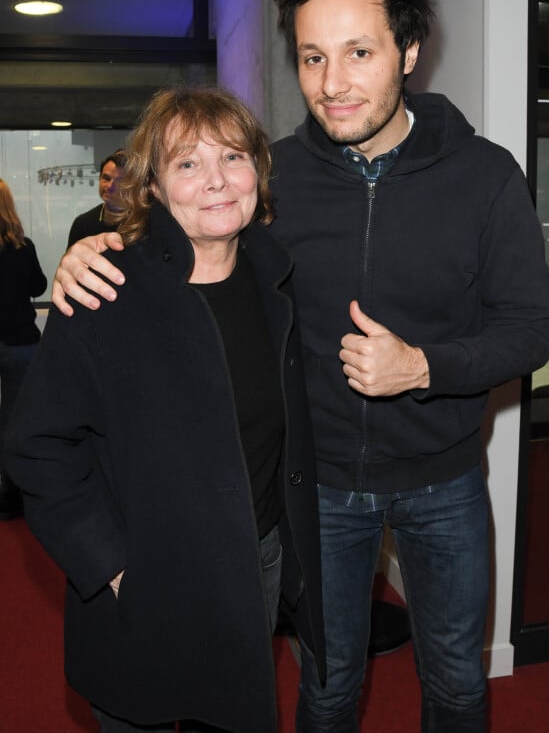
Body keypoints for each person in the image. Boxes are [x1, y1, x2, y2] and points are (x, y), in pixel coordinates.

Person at [49, 0, 549, 733]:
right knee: (326, 685)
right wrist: (96, 246)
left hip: (446, 481)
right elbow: (189, 236)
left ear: (410, 51)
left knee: (458, 684)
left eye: (359, 52)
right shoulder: (270, 177)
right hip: (315, 487)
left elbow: (532, 330)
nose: (333, 82)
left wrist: (423, 366)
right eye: (313, 57)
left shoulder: (487, 175)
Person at [6, 86, 325, 733]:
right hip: (147, 574)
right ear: (152, 188)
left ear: (258, 173)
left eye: (233, 157)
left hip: (253, 563)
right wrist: (113, 566)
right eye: (187, 164)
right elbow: (38, 447)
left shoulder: (278, 278)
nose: (215, 181)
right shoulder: (105, 289)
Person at [0, 178, 47, 520]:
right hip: (21, 343)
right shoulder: (22, 246)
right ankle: (13, 495)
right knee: (15, 421)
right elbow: (39, 285)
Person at [67, 149, 127, 246]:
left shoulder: (142, 222)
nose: (110, 186)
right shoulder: (83, 223)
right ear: (99, 178)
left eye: (118, 181)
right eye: (106, 178)